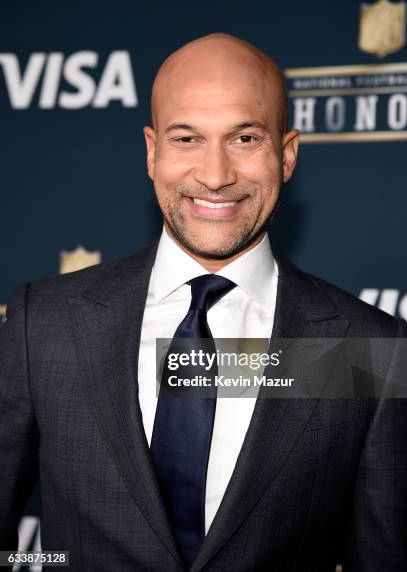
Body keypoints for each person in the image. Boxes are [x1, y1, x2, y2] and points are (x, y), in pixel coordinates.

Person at [0, 33, 406, 572]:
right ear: (152, 152)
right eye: (187, 138)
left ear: (287, 155)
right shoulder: (43, 325)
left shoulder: (369, 351)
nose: (215, 176)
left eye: (244, 138)